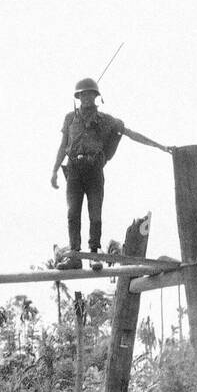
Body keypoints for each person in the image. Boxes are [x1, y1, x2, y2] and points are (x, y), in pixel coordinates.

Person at [51, 77, 168, 270]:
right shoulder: (70, 118)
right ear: (78, 97)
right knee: (73, 213)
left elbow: (131, 134)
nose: (86, 98)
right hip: (73, 170)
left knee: (95, 214)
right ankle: (75, 256)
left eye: (90, 94)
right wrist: (54, 170)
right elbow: (63, 146)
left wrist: (161, 146)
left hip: (94, 171)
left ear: (96, 97)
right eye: (83, 95)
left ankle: (94, 254)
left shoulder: (106, 121)